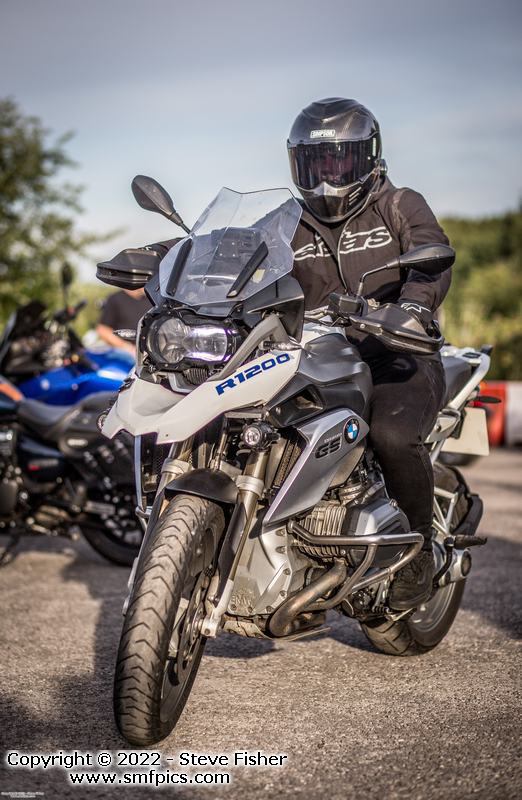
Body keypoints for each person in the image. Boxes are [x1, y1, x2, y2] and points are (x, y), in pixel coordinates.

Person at [287, 97, 450, 609]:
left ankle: (419, 551)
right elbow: (241, 255)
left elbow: (431, 256)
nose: (327, 177)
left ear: (368, 157)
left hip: (396, 352)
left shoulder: (399, 203)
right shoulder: (286, 221)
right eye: (315, 163)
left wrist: (413, 308)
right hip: (317, 358)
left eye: (339, 161)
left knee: (392, 435)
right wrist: (176, 257)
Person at [96, 287, 151, 355]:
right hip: (125, 354)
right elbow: (103, 330)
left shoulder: (152, 300)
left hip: (151, 353)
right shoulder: (115, 299)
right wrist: (127, 347)